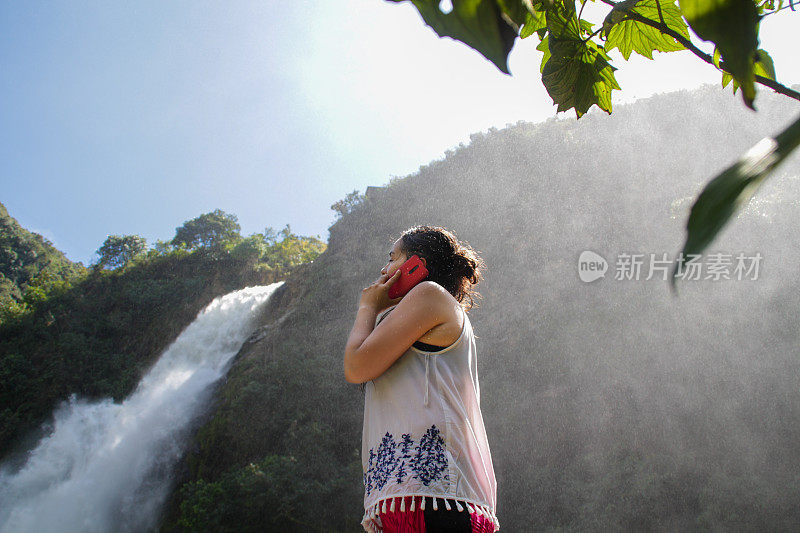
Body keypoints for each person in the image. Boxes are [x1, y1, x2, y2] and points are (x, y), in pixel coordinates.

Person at [344, 225, 499, 533]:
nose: (383, 269)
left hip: (434, 500)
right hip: (415, 498)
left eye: (392, 258)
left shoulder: (429, 295)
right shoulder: (416, 312)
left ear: (417, 264)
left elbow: (356, 366)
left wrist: (367, 307)